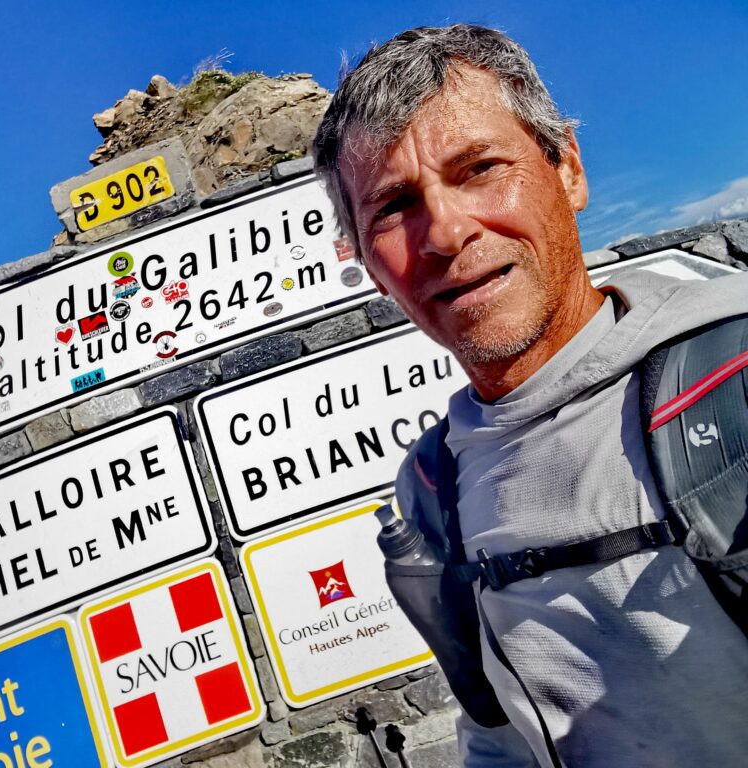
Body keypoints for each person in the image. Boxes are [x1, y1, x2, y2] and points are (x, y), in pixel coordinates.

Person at [313, 24, 748, 767]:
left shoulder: (731, 379)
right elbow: (499, 732)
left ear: (569, 170)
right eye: (392, 207)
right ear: (371, 270)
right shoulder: (431, 494)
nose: (446, 232)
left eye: (480, 166)